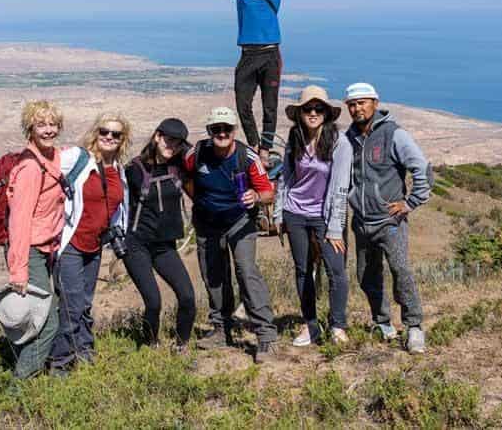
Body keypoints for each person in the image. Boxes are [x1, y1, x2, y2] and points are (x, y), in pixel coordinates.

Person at [162, 0, 355, 165]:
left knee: (269, 106)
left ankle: (264, 150)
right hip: (247, 55)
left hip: (270, 54)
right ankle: (254, 144)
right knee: (243, 103)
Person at [343, 82, 432, 354]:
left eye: (362, 102)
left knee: (401, 270)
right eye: (352, 104)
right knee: (366, 275)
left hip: (389, 222)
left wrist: (410, 203)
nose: (357, 108)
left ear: (375, 103)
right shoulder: (348, 138)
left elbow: (423, 169)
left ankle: (414, 326)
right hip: (361, 222)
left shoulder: (393, 134)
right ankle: (382, 322)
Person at [185, 106, 279, 363]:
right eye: (217, 129)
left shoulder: (247, 157)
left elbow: (269, 192)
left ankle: (266, 336)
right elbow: (186, 177)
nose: (222, 133)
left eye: (227, 129)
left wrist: (256, 196)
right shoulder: (198, 153)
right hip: (207, 223)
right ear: (209, 131)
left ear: (235, 131)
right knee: (213, 275)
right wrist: (201, 205)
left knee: (246, 271)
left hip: (240, 222)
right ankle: (221, 329)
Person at [47, 113, 130, 374]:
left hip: (94, 248)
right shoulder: (77, 158)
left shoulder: (118, 170)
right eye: (104, 131)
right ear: (96, 132)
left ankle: (84, 354)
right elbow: (41, 165)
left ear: (122, 140)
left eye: (115, 134)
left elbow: (118, 207)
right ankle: (58, 366)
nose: (109, 137)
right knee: (71, 308)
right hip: (70, 246)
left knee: (83, 305)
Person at [273, 86, 352, 347]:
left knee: (336, 271)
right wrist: (278, 212)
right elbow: (285, 177)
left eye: (319, 108)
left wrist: (334, 228)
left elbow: (341, 187)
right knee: (303, 270)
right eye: (308, 108)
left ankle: (338, 325)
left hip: (324, 217)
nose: (313, 112)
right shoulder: (295, 137)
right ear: (300, 113)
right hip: (295, 213)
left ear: (327, 113)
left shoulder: (340, 143)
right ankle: (310, 325)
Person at [2, 99, 67, 378]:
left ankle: (31, 371)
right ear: (30, 127)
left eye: (53, 124)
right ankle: (20, 389)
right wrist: (19, 270)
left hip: (47, 249)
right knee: (48, 323)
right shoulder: (31, 168)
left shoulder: (54, 156)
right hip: (29, 252)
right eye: (41, 124)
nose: (48, 129)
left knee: (39, 318)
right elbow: (18, 223)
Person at [123, 118, 197, 349]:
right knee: (153, 302)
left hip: (165, 246)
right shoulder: (134, 170)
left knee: (187, 297)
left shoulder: (179, 169)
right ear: (157, 137)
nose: (171, 146)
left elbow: (201, 189)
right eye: (168, 140)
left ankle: (181, 345)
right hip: (137, 246)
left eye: (177, 143)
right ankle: (150, 345)